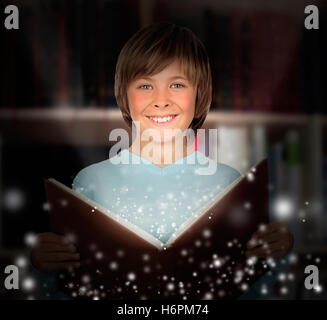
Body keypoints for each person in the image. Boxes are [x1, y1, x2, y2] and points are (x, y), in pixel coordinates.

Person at [30, 21, 293, 299]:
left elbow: (253, 288)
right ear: (124, 96)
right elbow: (69, 288)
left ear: (199, 94)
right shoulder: (91, 182)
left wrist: (277, 254)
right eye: (145, 85)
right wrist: (44, 266)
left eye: (177, 84)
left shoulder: (230, 186)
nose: (161, 100)